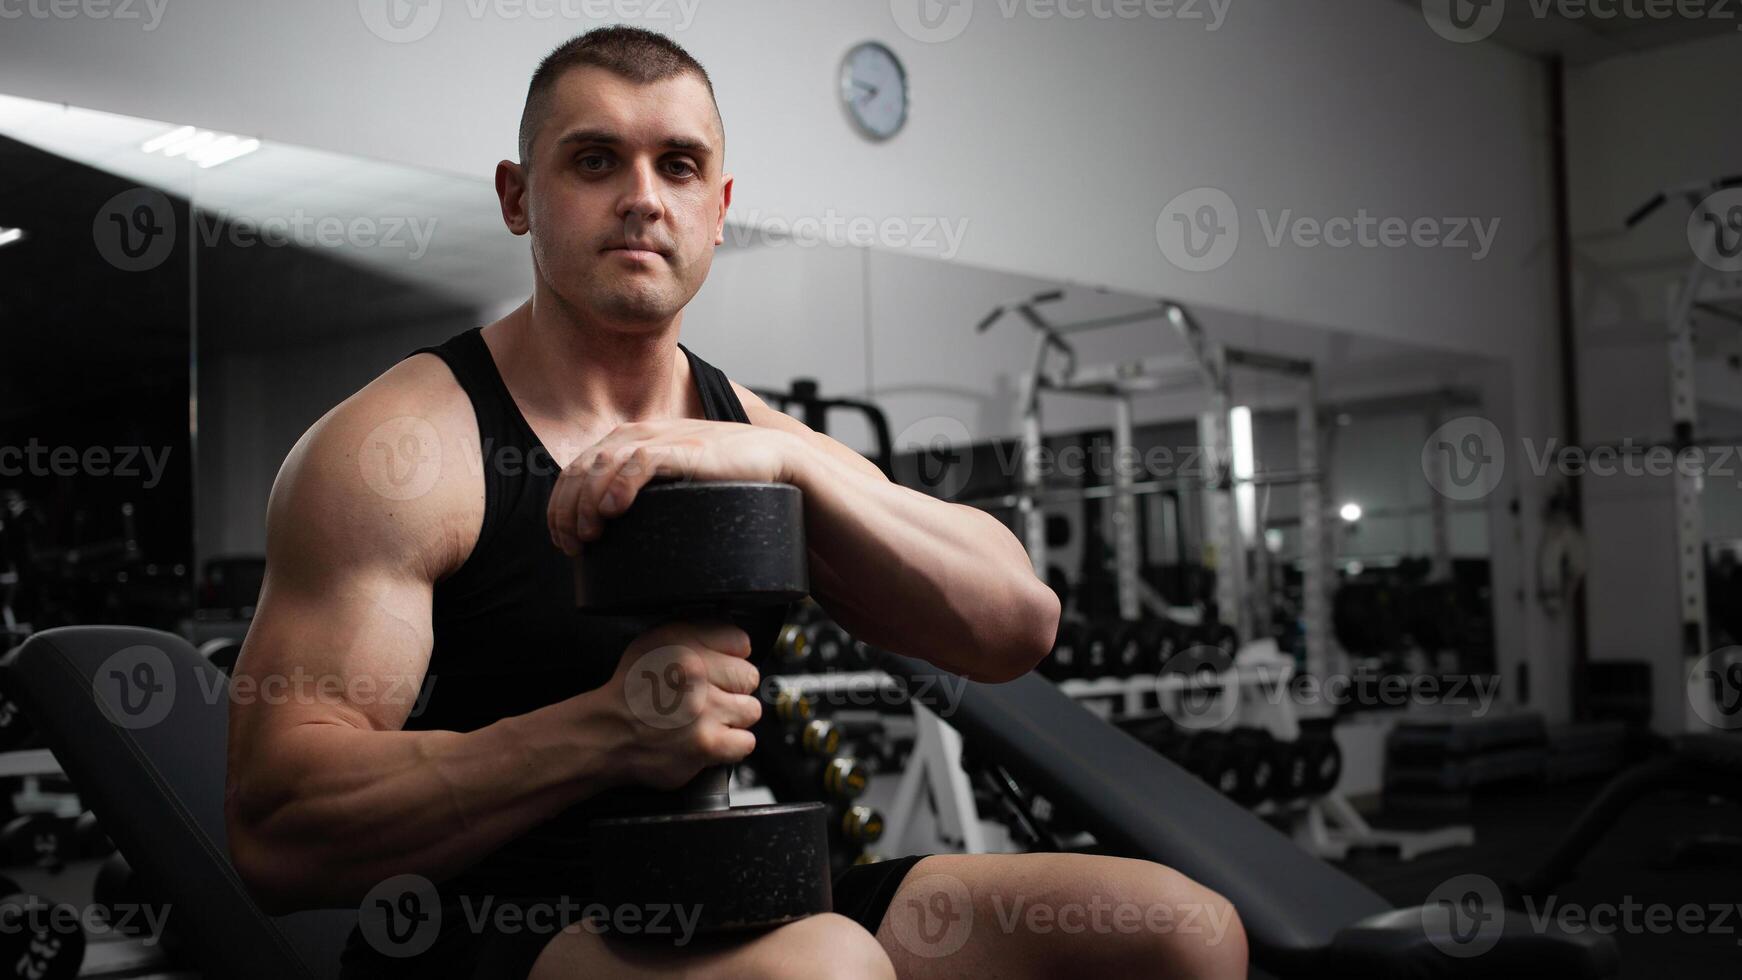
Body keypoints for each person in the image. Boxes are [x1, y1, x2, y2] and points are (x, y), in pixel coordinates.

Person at [224, 26, 1246, 979]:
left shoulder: (746, 435)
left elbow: (1013, 623)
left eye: (675, 164)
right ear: (516, 195)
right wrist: (605, 729)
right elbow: (278, 829)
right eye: (593, 160)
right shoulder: (399, 451)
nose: (641, 197)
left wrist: (790, 466)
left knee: (1177, 930)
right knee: (828, 965)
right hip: (486, 922)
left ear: (718, 206)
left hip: (729, 891)